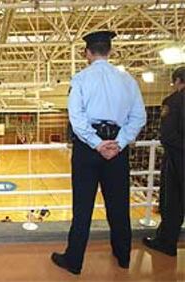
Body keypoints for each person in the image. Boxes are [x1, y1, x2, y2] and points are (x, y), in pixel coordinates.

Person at [51, 31, 146, 275]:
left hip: (87, 149)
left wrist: (96, 143)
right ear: (110, 52)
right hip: (117, 148)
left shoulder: (81, 79)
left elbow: (77, 118)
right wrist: (119, 142)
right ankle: (123, 256)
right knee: (119, 205)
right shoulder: (128, 81)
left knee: (82, 207)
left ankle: (74, 261)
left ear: (88, 53)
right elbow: (139, 117)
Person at [143, 66, 184, 256]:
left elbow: (167, 136)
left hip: (177, 160)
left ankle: (166, 243)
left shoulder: (172, 101)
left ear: (177, 81)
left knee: (172, 203)